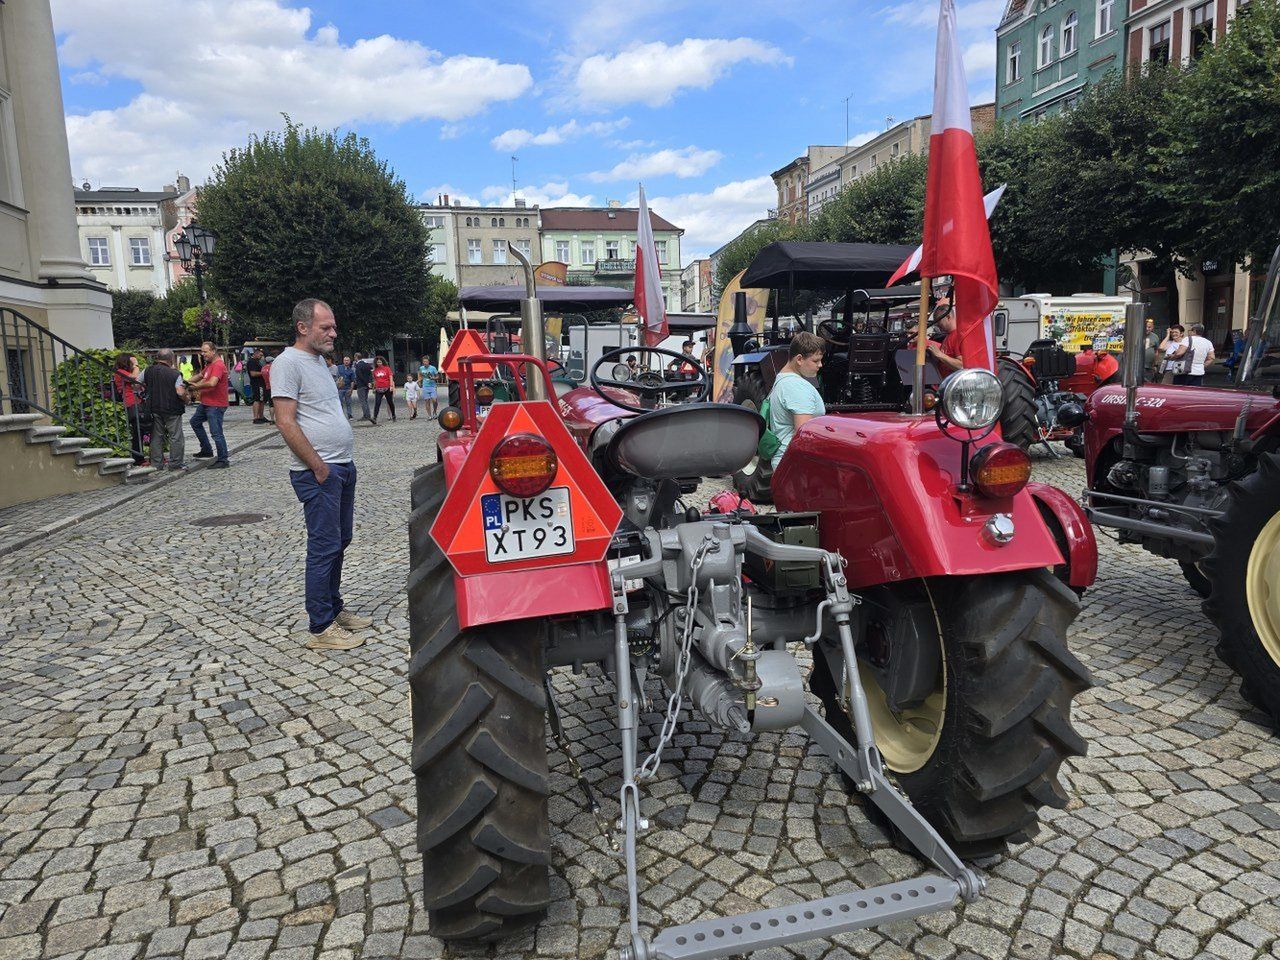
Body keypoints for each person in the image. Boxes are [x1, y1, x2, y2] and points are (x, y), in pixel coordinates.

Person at [272, 298, 370, 651]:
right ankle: (321, 627)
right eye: (325, 327)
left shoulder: (318, 362)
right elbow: (285, 421)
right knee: (324, 546)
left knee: (340, 540)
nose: (333, 333)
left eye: (333, 327)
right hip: (319, 472)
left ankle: (334, 608)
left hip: (341, 466)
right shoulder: (287, 363)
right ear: (302, 327)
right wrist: (318, 466)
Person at [766, 332, 826, 469]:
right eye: (815, 361)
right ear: (799, 359)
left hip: (788, 462)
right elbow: (804, 436)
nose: (820, 365)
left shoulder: (783, 380)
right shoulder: (796, 386)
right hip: (796, 464)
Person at [186, 341, 230, 468]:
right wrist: (185, 382)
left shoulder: (218, 365)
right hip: (206, 403)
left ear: (213, 351)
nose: (203, 354)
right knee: (195, 422)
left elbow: (212, 383)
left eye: (205, 351)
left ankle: (223, 459)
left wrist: (195, 387)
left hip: (215, 404)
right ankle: (206, 449)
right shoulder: (210, 365)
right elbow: (199, 376)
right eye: (202, 351)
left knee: (216, 432)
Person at [142, 349, 188, 470]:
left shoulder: (148, 370)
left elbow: (136, 383)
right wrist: (186, 398)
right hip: (172, 408)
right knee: (175, 436)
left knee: (156, 436)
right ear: (171, 359)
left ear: (158, 358)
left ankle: (156, 464)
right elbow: (180, 392)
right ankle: (175, 463)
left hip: (154, 407)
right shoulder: (175, 374)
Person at [113, 352, 146, 465]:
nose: (133, 365)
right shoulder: (120, 372)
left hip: (135, 401)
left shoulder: (124, 372)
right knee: (137, 430)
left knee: (141, 430)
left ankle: (140, 457)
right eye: (131, 362)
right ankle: (138, 459)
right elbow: (135, 378)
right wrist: (136, 364)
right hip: (131, 402)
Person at [372, 356, 396, 422]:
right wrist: (374, 388)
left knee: (390, 402)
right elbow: (375, 380)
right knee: (377, 403)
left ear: (382, 362)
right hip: (378, 388)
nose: (379, 363)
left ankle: (393, 415)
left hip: (387, 387)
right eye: (377, 362)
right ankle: (374, 417)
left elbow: (390, 377)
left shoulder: (387, 368)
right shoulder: (375, 370)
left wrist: (391, 386)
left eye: (380, 362)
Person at [247, 348, 267, 423]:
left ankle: (261, 416)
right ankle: (256, 417)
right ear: (255, 353)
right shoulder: (252, 362)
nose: (261, 357)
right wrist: (264, 373)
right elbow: (253, 373)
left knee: (261, 400)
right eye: (260, 355)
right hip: (256, 384)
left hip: (261, 383)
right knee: (257, 399)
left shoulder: (258, 362)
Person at [353, 352, 373, 421]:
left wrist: (365, 382)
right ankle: (368, 414)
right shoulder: (366, 364)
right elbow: (370, 374)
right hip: (366, 385)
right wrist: (369, 382)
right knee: (365, 400)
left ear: (356, 357)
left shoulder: (358, 365)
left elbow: (359, 375)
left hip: (361, 385)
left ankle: (366, 415)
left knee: (363, 401)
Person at [336, 354, 355, 419]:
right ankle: (340, 415)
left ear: (349, 361)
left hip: (347, 388)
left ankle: (349, 415)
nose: (346, 361)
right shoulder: (339, 367)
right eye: (345, 360)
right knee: (340, 403)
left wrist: (351, 390)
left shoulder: (351, 370)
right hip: (340, 389)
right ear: (343, 361)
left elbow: (352, 381)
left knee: (348, 402)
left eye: (347, 360)